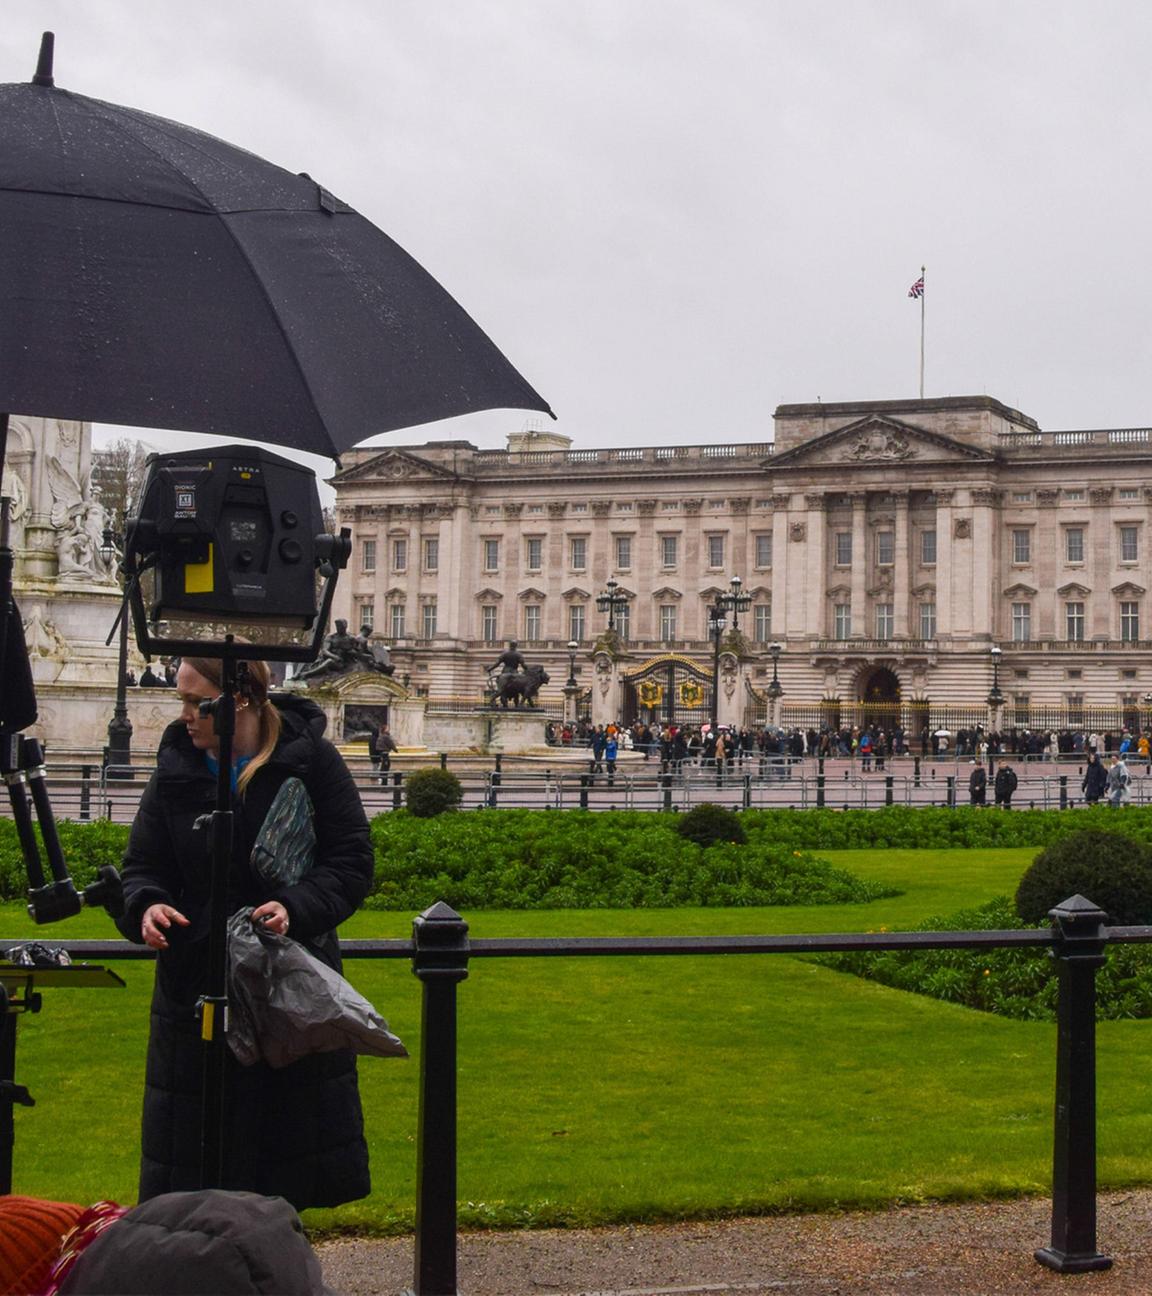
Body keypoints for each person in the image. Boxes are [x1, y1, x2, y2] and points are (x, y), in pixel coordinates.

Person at [115, 654, 375, 1210]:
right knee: (195, 1178)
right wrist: (147, 907)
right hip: (194, 992)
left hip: (283, 993)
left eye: (194, 701)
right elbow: (143, 867)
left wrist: (294, 907)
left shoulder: (310, 762)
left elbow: (351, 862)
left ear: (239, 702)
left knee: (280, 1178)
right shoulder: (177, 767)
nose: (183, 714)